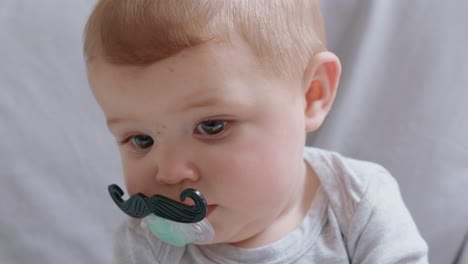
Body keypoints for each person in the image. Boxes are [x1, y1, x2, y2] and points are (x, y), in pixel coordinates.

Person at [83, 0, 428, 263]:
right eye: (141, 140)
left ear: (311, 95)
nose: (170, 172)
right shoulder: (149, 245)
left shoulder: (358, 204)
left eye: (212, 126)